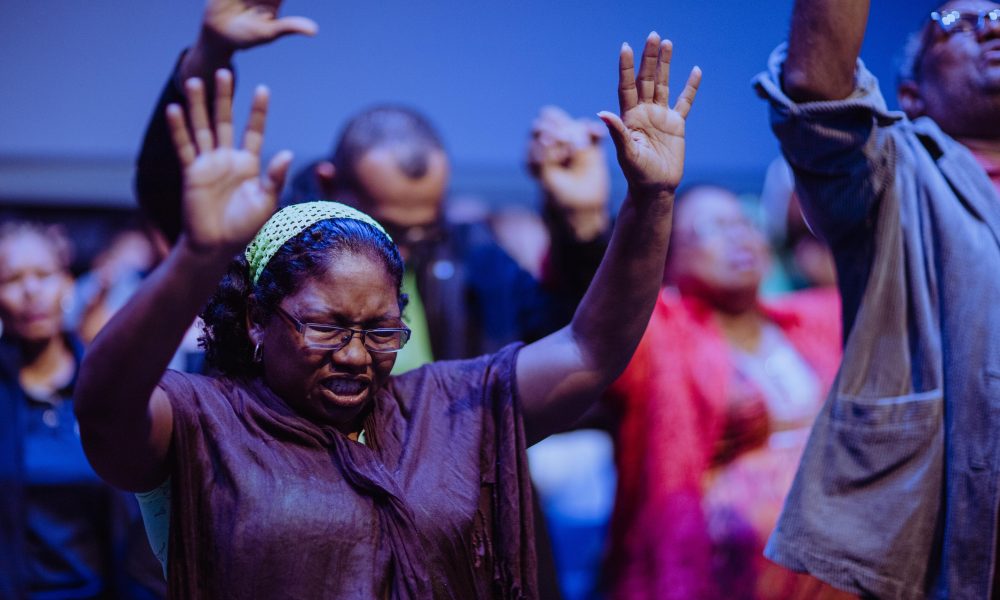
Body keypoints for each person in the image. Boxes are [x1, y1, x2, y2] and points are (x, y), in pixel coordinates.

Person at [74, 33, 701, 598]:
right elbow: (105, 406)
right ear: (256, 320)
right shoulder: (202, 419)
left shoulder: (440, 406)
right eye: (325, 327)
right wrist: (198, 255)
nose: (355, 355)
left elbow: (588, 349)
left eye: (379, 331)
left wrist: (650, 200)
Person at [134, 0, 611, 367]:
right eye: (386, 227)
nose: (402, 250)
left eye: (422, 229)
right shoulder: (271, 244)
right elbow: (166, 193)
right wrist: (210, 55)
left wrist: (584, 225)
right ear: (329, 184)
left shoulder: (468, 252)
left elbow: (567, 340)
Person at [753, 0, 1000, 597]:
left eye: (997, 14)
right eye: (956, 23)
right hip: (942, 545)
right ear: (911, 95)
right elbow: (816, 86)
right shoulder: (893, 170)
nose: (993, 25)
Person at [602, 186, 844, 600]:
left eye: (744, 223)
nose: (739, 236)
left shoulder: (807, 319)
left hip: (835, 577)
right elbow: (604, 326)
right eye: (712, 228)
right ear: (667, 256)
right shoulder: (662, 337)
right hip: (717, 580)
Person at [0, 222, 164, 598]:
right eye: (11, 279)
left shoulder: (105, 388)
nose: (31, 291)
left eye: (44, 275)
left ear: (68, 284)